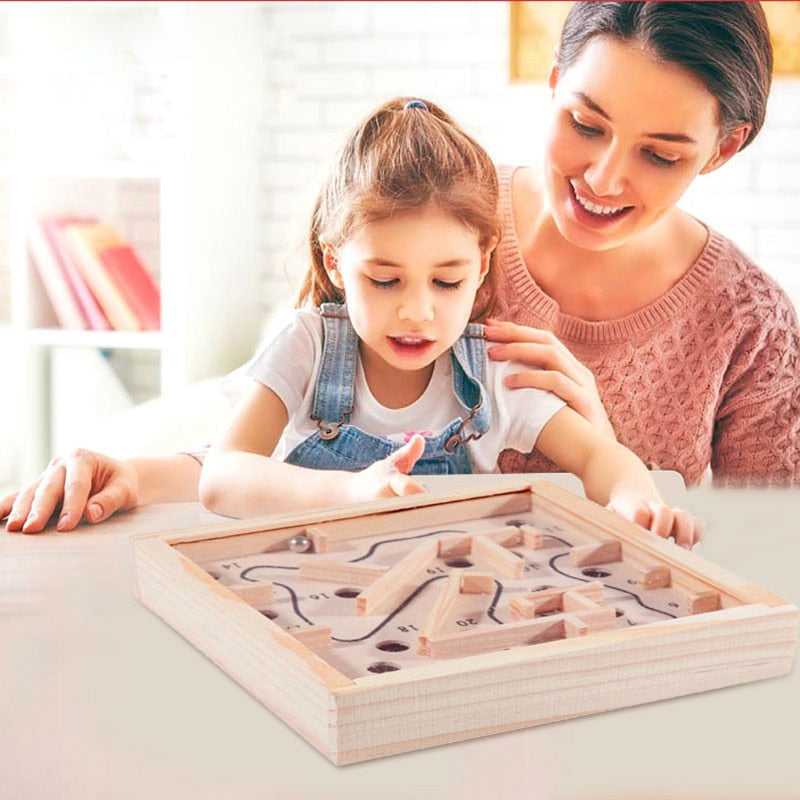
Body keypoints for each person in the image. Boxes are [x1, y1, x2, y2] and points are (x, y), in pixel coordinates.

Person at [3, 1, 797, 536]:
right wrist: (134, 472)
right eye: (585, 124)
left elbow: (767, 556)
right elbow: (259, 443)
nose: (605, 177)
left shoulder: (751, 328)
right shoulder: (437, 213)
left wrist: (619, 465)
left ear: (724, 148)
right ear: (555, 85)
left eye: (661, 154)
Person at [195, 96, 697, 545]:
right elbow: (222, 477)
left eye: (446, 282)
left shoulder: (494, 372)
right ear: (335, 264)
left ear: (480, 264)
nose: (417, 312)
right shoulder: (307, 347)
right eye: (385, 281)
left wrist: (635, 499)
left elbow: (598, 456)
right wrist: (351, 492)